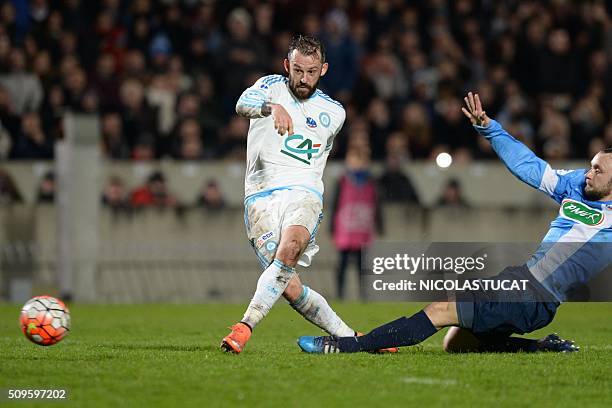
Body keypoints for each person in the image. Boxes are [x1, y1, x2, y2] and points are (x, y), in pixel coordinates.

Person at [298, 92, 612, 354]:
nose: (588, 173)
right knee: (456, 343)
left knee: (441, 309)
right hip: (522, 282)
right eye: (591, 165)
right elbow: (530, 167)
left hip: (535, 296)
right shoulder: (576, 186)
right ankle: (540, 348)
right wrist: (490, 129)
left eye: (599, 170)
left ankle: (346, 346)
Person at [221, 34, 396, 354]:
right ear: (287, 65)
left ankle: (244, 327)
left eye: (311, 72)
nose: (303, 79)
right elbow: (241, 104)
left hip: (304, 193)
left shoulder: (334, 113)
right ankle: (354, 339)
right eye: (298, 70)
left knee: (288, 252)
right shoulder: (269, 87)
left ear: (324, 69)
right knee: (288, 286)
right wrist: (271, 107)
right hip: (260, 195)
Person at [331, 148, 382, 299]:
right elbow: (335, 205)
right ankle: (340, 295)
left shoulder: (371, 181)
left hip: (362, 229)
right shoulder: (342, 181)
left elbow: (376, 204)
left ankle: (363, 295)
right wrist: (332, 229)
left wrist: (379, 224)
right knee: (343, 264)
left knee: (362, 266)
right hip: (345, 230)